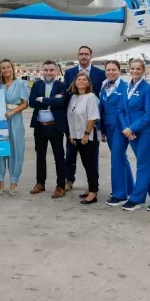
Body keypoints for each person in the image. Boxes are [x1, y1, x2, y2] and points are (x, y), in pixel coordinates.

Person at [119, 58, 150, 213]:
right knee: (146, 164)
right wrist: (126, 128)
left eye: (138, 69)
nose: (134, 71)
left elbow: (149, 114)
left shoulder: (147, 89)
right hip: (130, 132)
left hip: (145, 132)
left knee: (143, 165)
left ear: (143, 71)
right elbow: (121, 110)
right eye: (132, 68)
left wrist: (132, 128)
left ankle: (136, 199)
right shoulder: (126, 87)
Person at [64, 45, 106, 191]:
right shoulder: (69, 73)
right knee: (70, 156)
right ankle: (69, 179)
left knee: (91, 159)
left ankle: (93, 187)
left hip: (89, 124)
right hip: (73, 125)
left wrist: (97, 128)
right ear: (77, 56)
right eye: (81, 54)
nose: (83, 56)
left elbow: (102, 98)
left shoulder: (100, 74)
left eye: (86, 54)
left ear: (91, 56)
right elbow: (66, 96)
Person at [28, 60, 68, 198]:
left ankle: (60, 186)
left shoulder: (62, 85)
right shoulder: (37, 84)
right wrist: (50, 101)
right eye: (46, 70)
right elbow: (32, 102)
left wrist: (43, 99)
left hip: (55, 126)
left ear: (56, 71)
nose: (48, 73)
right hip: (40, 126)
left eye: (51, 70)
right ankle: (40, 183)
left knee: (59, 157)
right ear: (42, 71)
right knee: (40, 156)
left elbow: (61, 102)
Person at [98, 60, 135, 206]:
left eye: (114, 69)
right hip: (109, 128)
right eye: (108, 70)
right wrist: (102, 129)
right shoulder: (104, 86)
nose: (111, 72)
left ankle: (119, 195)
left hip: (120, 128)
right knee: (121, 158)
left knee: (116, 159)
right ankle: (129, 189)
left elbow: (126, 110)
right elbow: (102, 109)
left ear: (119, 71)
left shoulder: (125, 87)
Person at [0, 59, 28, 195]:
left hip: (15, 119)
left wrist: (11, 112)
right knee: (0, 151)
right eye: (3, 68)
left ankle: (13, 182)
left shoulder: (20, 84)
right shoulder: (0, 85)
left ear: (12, 68)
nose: (6, 70)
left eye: (8, 67)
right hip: (0, 121)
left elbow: (25, 104)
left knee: (15, 150)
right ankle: (0, 181)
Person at [66, 72, 101, 204]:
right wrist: (71, 134)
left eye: (83, 79)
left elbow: (92, 117)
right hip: (75, 136)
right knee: (85, 164)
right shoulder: (74, 97)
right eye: (78, 79)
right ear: (74, 82)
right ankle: (90, 188)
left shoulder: (91, 97)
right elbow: (71, 117)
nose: (80, 81)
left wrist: (86, 134)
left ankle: (93, 192)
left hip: (87, 137)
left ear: (88, 83)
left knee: (90, 164)